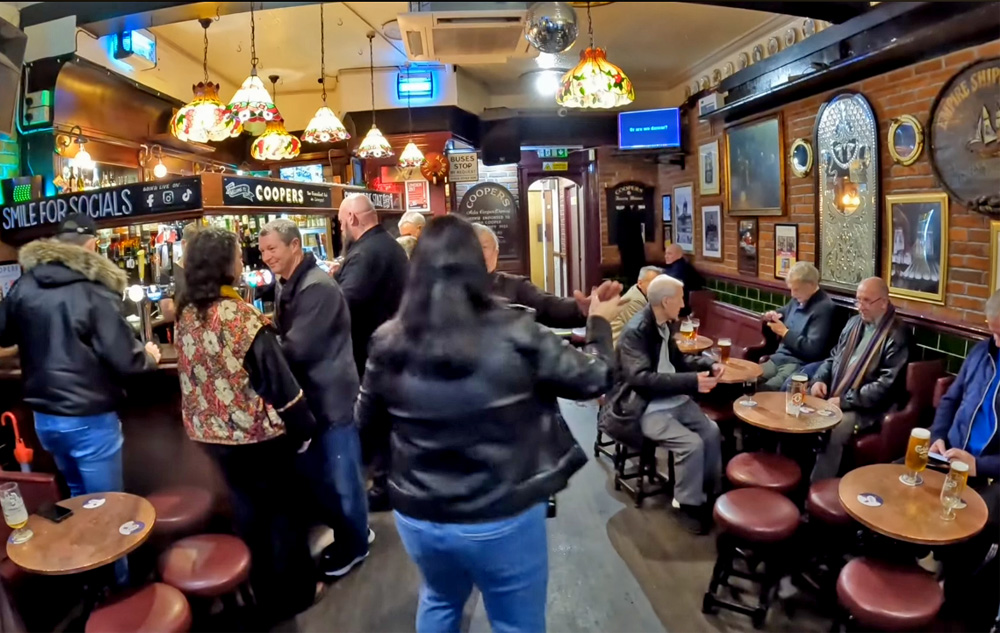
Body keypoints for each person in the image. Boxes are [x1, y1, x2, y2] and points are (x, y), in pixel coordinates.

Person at [356, 215, 618, 633]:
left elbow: (365, 432)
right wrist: (600, 322)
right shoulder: (516, 332)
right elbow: (595, 378)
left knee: (439, 600)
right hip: (502, 511)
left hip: (420, 514)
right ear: (479, 266)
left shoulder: (388, 341)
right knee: (516, 622)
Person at [0, 214, 160, 585]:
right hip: (89, 418)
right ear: (91, 245)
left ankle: (88, 581)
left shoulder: (25, 285)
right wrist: (149, 354)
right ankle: (117, 590)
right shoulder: (94, 290)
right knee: (106, 509)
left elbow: (4, 332)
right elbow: (127, 360)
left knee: (76, 501)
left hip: (45, 419)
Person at [175, 227, 319, 621]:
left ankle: (262, 594)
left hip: (210, 439)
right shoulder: (240, 316)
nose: (243, 262)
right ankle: (294, 597)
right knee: (284, 518)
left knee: (248, 515)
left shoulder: (187, 313)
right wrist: (304, 430)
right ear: (225, 266)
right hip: (257, 440)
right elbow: (281, 385)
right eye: (239, 256)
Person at [259, 219, 370, 578]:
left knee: (343, 479)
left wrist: (256, 346)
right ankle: (354, 532)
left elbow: (296, 348)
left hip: (332, 398)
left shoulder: (317, 287)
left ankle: (355, 545)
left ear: (295, 246)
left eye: (272, 249)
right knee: (326, 478)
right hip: (313, 398)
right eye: (262, 251)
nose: (266, 257)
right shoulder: (287, 283)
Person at [600, 275, 725, 534]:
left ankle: (710, 491)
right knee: (691, 444)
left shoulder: (664, 325)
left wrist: (708, 364)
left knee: (711, 431)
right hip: (643, 406)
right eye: (680, 299)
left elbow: (678, 362)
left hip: (672, 399)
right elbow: (641, 380)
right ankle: (688, 505)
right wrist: (692, 382)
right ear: (666, 301)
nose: (683, 304)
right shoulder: (636, 331)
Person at [927, 290, 999, 629]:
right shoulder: (982, 351)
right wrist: (939, 435)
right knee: (900, 476)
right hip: (951, 451)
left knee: (972, 517)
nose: (996, 339)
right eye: (993, 331)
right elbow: (950, 399)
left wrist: (978, 465)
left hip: (990, 471)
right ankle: (902, 573)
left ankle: (951, 596)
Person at [334, 193, 408, 510]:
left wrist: (329, 286)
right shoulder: (389, 245)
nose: (341, 229)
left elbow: (343, 304)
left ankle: (382, 488)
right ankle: (390, 481)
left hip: (374, 348)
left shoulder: (364, 254)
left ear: (352, 218)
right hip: (395, 345)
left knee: (377, 420)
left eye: (340, 222)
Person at [809, 277, 909, 481]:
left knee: (835, 425)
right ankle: (797, 474)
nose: (860, 306)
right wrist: (819, 379)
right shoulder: (853, 323)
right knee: (803, 409)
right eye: (858, 300)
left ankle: (819, 488)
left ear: (883, 302)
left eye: (866, 301)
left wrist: (844, 401)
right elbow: (833, 357)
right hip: (838, 395)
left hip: (869, 408)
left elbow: (885, 387)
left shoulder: (897, 335)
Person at [472, 222, 621, 328]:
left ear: (496, 253)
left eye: (484, 247)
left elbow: (549, 306)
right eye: (472, 248)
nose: (478, 254)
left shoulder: (515, 286)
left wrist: (581, 309)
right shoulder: (450, 290)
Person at [758, 262, 835, 391]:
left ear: (811, 285)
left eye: (796, 289)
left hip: (797, 364)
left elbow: (813, 350)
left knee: (763, 390)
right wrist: (770, 316)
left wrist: (785, 333)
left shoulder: (825, 308)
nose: (792, 294)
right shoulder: (797, 300)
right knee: (747, 380)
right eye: (791, 289)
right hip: (778, 358)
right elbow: (781, 313)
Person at [159, 220, 204, 321]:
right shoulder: (168, 273)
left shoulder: (206, 269)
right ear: (184, 244)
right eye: (196, 247)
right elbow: (168, 314)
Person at [610, 265, 662, 346]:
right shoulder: (635, 300)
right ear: (640, 283)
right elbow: (643, 332)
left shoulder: (642, 294)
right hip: (619, 348)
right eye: (653, 283)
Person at [662, 244, 704, 317]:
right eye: (666, 253)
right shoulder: (678, 266)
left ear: (679, 255)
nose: (666, 256)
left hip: (681, 311)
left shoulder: (680, 269)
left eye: (669, 254)